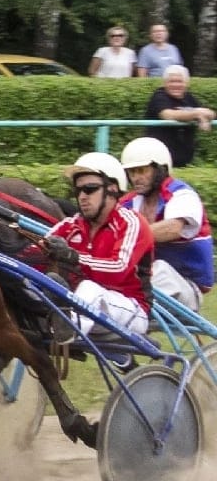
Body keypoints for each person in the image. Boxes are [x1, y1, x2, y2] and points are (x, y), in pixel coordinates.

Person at [41, 152, 152, 338]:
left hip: (130, 309)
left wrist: (73, 256)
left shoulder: (131, 222)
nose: (82, 196)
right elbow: (36, 250)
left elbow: (119, 268)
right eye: (78, 191)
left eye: (90, 189)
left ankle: (67, 328)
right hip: (83, 306)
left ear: (113, 189)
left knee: (89, 288)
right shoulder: (71, 225)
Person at [120, 136, 212, 311]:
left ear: (160, 169)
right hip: (147, 285)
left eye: (141, 171)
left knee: (159, 269)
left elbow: (172, 229)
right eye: (132, 172)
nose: (136, 178)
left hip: (187, 289)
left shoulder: (182, 195)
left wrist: (123, 235)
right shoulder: (128, 203)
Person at [141, 64, 212, 167]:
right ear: (165, 83)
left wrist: (201, 114)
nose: (176, 85)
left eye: (179, 81)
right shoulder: (159, 96)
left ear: (186, 83)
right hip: (158, 162)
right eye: (172, 81)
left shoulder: (188, 97)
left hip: (184, 161)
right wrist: (197, 113)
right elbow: (168, 115)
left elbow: (210, 113)